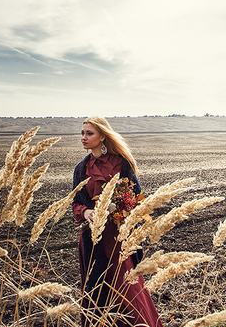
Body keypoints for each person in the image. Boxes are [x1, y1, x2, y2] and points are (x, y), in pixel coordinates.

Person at [72, 116, 163, 327]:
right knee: (97, 287)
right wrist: (86, 212)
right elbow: (76, 202)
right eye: (82, 133)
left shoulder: (121, 162)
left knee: (127, 286)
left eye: (89, 133)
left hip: (118, 237)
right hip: (93, 237)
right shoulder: (81, 168)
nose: (84, 137)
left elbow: (136, 195)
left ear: (102, 136)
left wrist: (122, 208)